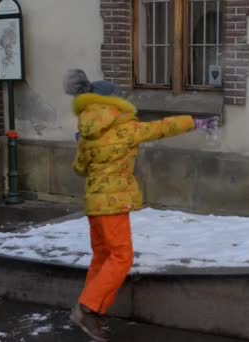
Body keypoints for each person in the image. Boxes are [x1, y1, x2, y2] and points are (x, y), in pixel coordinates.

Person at [63, 69, 218, 341]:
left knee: (102, 257)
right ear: (114, 104)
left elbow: (79, 169)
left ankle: (94, 311)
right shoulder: (125, 129)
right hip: (113, 203)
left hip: (94, 205)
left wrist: (82, 148)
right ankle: (87, 308)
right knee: (121, 257)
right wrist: (196, 123)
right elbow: (161, 128)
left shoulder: (86, 133)